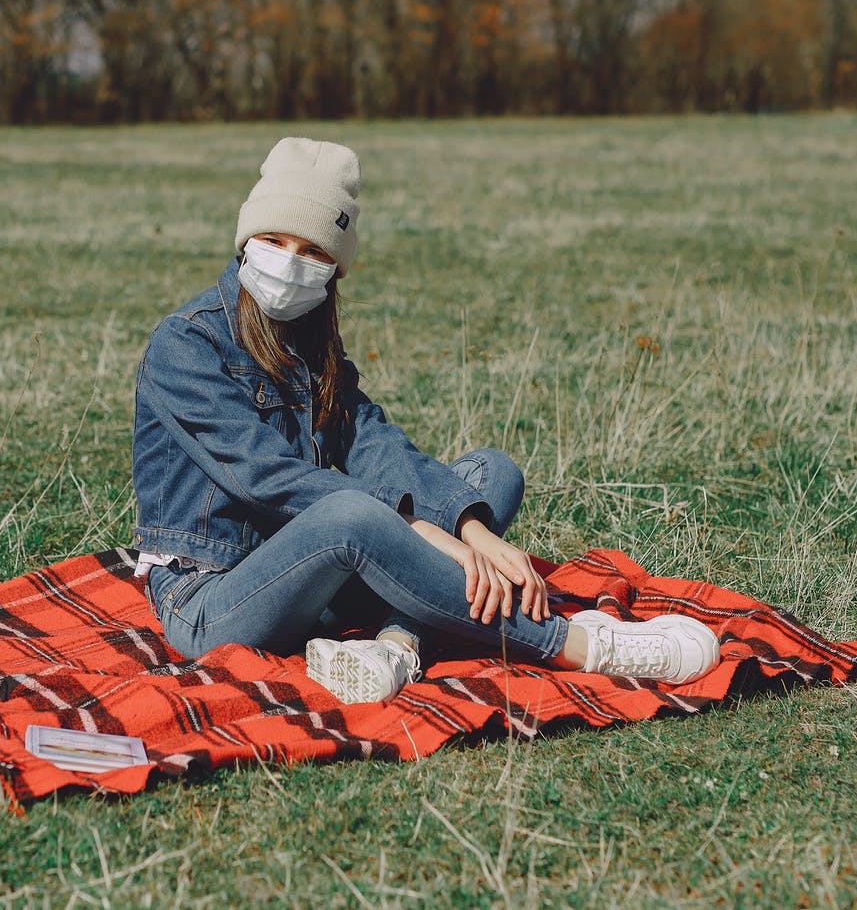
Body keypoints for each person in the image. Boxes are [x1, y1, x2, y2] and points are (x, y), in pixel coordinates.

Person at [130, 138, 719, 704]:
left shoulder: (312, 344)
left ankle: (395, 648)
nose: (290, 262)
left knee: (491, 475)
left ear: (335, 268)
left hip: (314, 585)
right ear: (245, 239)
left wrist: (469, 531)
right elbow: (269, 477)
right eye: (274, 239)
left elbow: (376, 444)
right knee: (352, 515)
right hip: (210, 599)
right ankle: (580, 645)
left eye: (313, 250)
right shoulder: (185, 344)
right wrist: (414, 528)